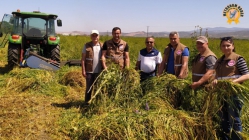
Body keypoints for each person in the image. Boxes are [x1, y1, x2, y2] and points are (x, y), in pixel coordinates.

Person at [212, 37, 249, 140]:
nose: (226, 48)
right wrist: (214, 80)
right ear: (220, 47)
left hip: (234, 94)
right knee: (223, 119)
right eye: (223, 46)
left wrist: (234, 82)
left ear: (233, 46)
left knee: (234, 119)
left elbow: (247, 75)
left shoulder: (238, 59)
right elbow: (216, 75)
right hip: (221, 94)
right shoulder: (219, 61)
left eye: (228, 45)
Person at [81, 30, 103, 104]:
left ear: (98, 36)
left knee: (98, 88)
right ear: (91, 37)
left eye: (96, 35)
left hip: (99, 72)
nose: (95, 37)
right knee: (89, 88)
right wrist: (83, 70)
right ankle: (87, 103)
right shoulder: (86, 45)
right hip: (89, 71)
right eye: (93, 35)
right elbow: (83, 59)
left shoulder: (102, 45)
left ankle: (96, 103)